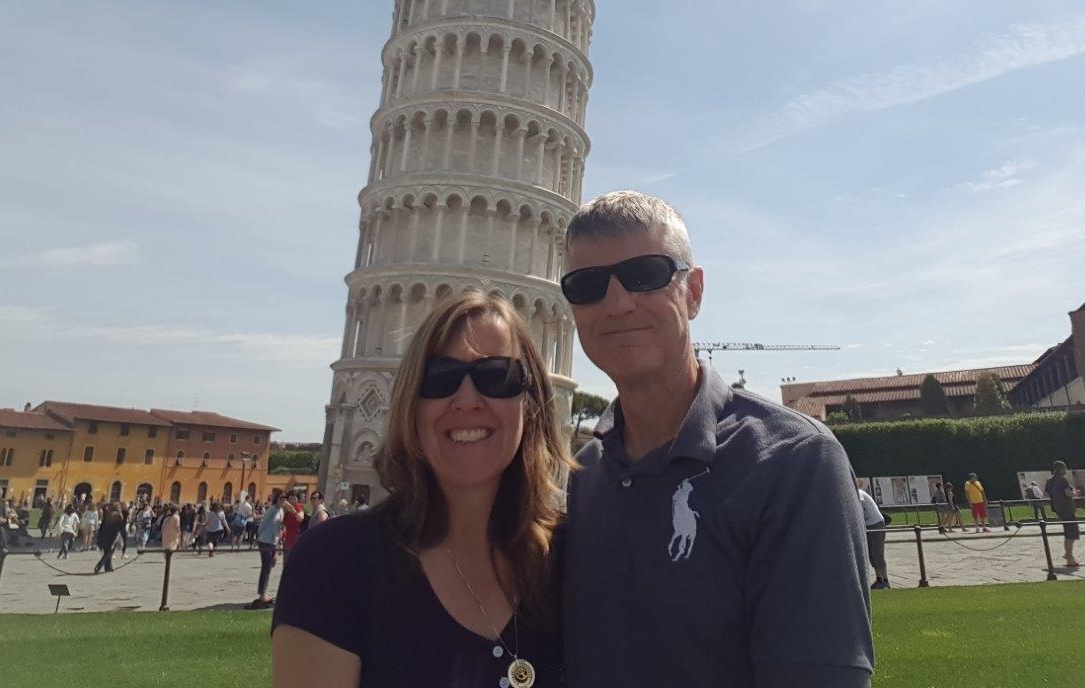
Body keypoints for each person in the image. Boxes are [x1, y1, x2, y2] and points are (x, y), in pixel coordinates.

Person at [560, 191, 873, 687]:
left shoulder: (794, 461)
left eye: (646, 274)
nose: (617, 304)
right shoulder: (587, 473)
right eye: (587, 285)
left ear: (694, 292)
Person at [272, 291, 569, 687]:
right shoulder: (334, 564)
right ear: (411, 406)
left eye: (497, 376)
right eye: (439, 378)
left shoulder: (573, 563)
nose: (466, 401)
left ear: (530, 403)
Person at [250, 489, 286, 609]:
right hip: (265, 541)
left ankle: (263, 593)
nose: (283, 500)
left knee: (269, 567)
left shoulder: (281, 511)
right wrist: (258, 537)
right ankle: (262, 595)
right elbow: (263, 524)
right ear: (276, 499)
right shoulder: (272, 510)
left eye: (285, 498)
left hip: (273, 542)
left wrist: (278, 546)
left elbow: (279, 530)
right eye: (281, 498)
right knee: (266, 567)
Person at [1043, 460, 1081, 568]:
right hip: (1067, 509)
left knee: (1068, 532)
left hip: (1059, 509)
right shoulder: (1063, 480)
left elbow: (1046, 494)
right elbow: (1068, 493)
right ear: (1062, 469)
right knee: (1072, 533)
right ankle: (1069, 557)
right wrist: (1075, 493)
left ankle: (1068, 554)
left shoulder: (1050, 481)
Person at [858, 480, 890, 589]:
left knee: (877, 552)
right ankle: (879, 578)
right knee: (872, 553)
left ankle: (885, 580)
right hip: (869, 524)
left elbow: (859, 508)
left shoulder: (859, 493)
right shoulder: (858, 493)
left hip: (875, 524)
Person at [94, 503, 124, 573]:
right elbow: (119, 527)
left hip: (104, 535)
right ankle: (98, 566)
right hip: (112, 536)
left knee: (107, 552)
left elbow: (102, 525)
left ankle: (108, 567)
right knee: (109, 553)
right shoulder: (118, 515)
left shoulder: (108, 514)